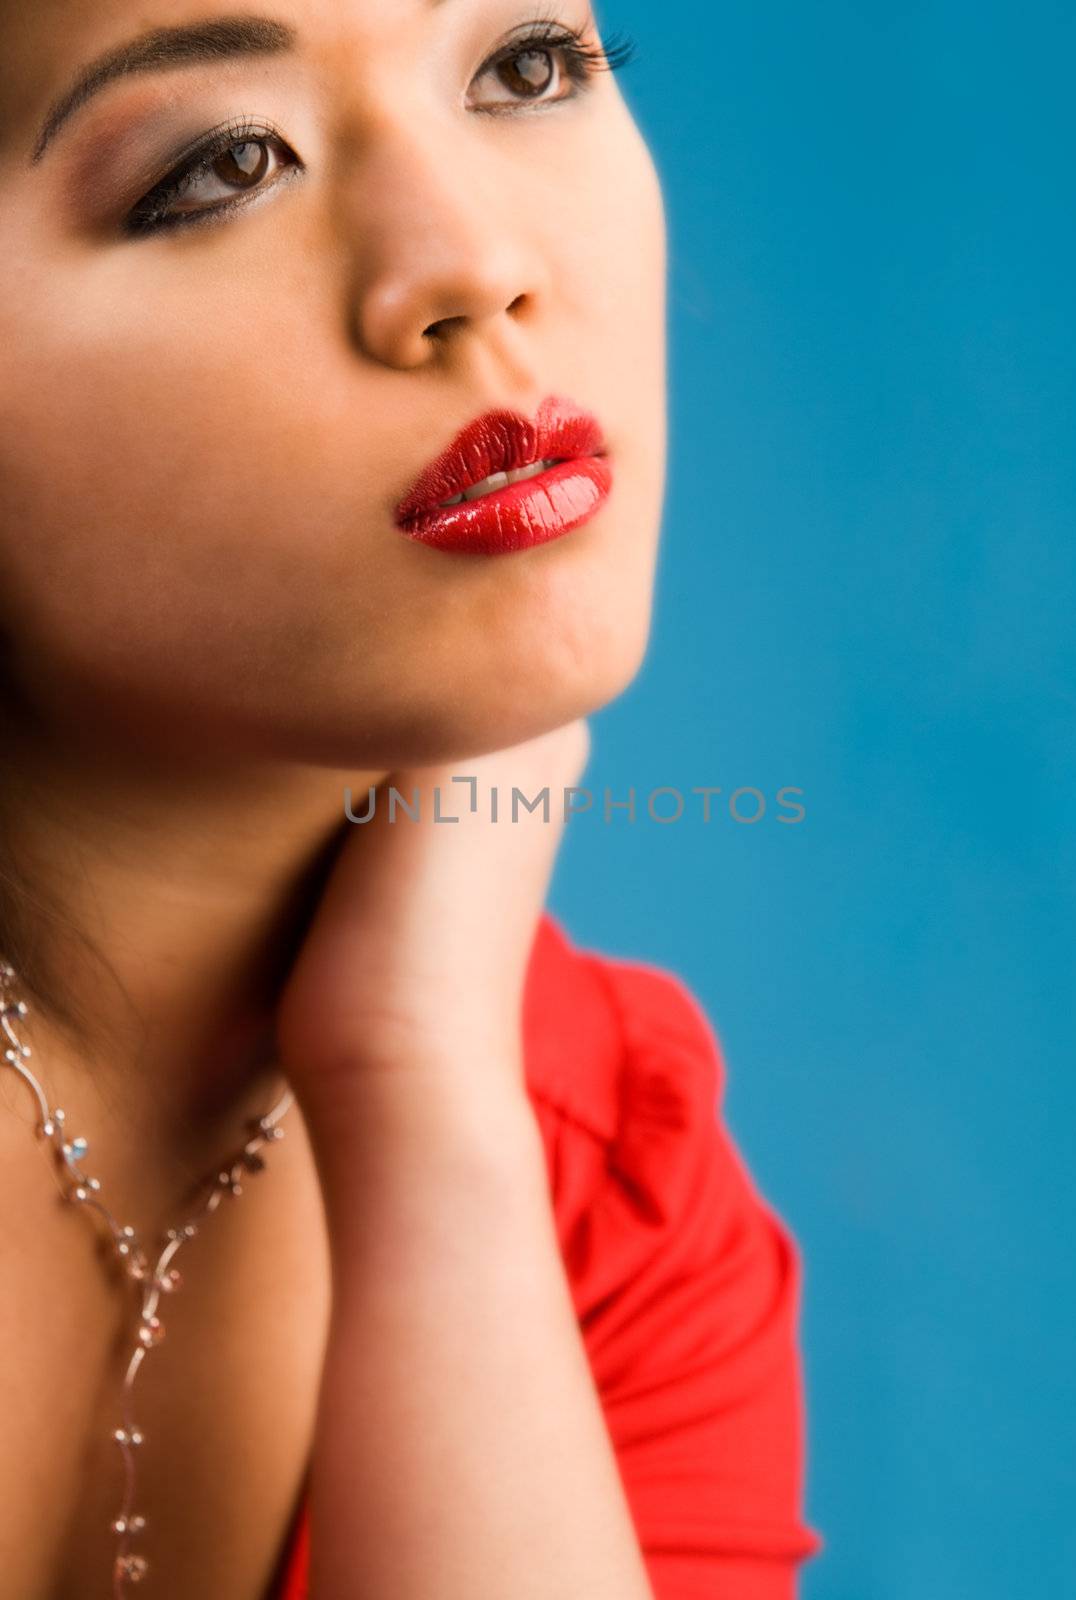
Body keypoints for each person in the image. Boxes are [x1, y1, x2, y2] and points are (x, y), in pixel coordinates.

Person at [0, 3, 823, 1597]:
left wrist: (423, 1086)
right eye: (226, 163)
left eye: (524, 67)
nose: (472, 266)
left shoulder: (600, 1165)